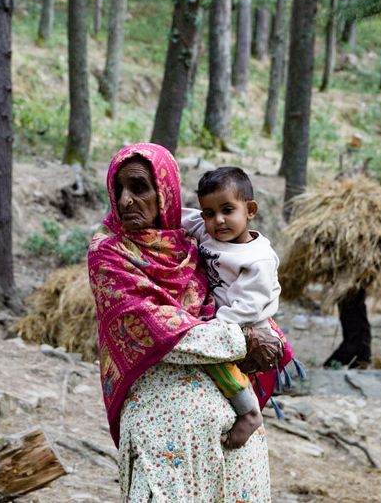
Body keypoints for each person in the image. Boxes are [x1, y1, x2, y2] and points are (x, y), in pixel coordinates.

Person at [87, 143, 282, 501]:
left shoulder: (196, 240)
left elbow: (242, 294)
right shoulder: (110, 252)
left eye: (139, 187)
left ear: (165, 192)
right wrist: (243, 340)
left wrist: (265, 335)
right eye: (119, 189)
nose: (126, 200)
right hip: (163, 436)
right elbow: (161, 333)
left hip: (231, 434)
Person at [181, 167, 286, 449]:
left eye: (228, 210)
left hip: (248, 322)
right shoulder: (209, 230)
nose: (218, 220)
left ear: (250, 210)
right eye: (209, 213)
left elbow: (248, 305)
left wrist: (214, 328)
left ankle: (249, 412)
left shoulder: (257, 258)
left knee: (217, 361)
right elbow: (180, 216)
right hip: (222, 316)